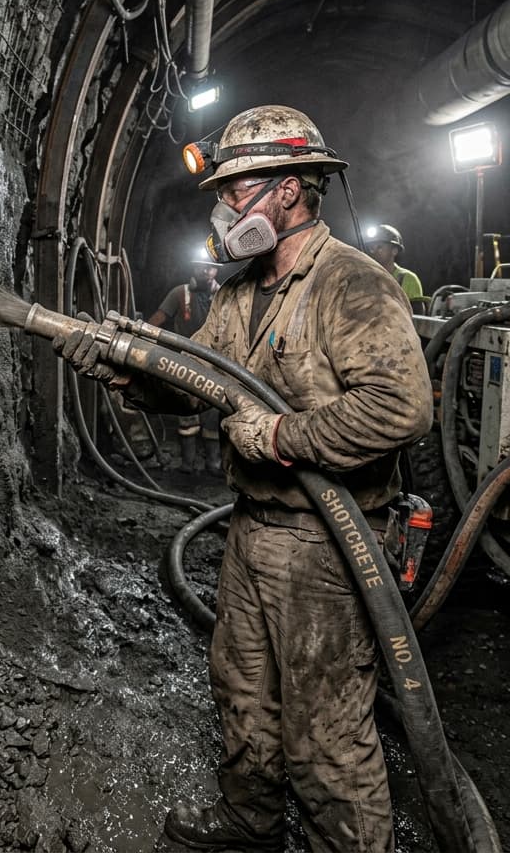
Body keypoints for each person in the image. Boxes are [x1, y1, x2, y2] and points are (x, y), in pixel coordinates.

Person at [53, 105, 433, 853]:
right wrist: (127, 373)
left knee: (325, 727)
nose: (224, 209)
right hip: (253, 530)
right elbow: (199, 380)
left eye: (235, 192)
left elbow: (401, 409)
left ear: (288, 191)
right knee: (244, 691)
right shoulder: (238, 293)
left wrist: (284, 436)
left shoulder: (351, 285)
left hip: (331, 545)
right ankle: (251, 822)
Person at [149, 252, 222, 473]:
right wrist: (139, 337)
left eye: (209, 267)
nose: (205, 271)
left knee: (212, 415)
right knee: (187, 414)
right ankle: (187, 465)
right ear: (193, 268)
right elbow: (158, 320)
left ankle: (214, 465)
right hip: (185, 362)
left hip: (215, 365)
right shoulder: (179, 293)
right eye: (200, 266)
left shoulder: (224, 296)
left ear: (216, 270)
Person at [365, 224, 428, 314]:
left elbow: (417, 318)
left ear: (394, 251)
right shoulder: (366, 278)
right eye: (371, 248)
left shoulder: (408, 279)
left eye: (380, 247)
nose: (374, 252)